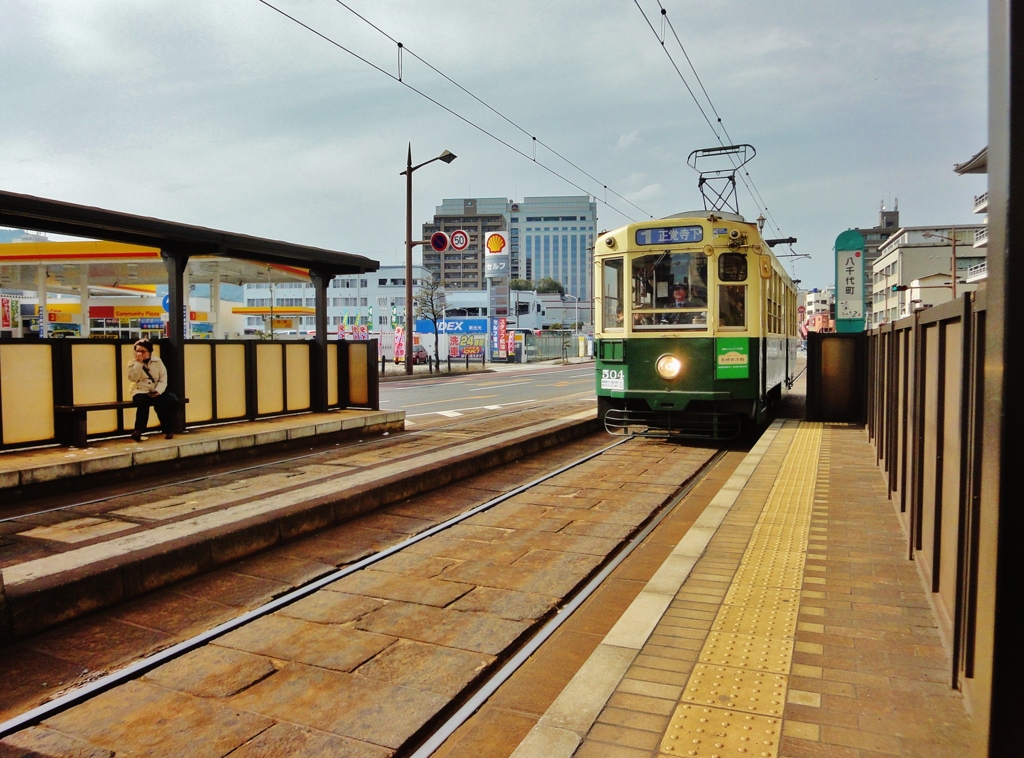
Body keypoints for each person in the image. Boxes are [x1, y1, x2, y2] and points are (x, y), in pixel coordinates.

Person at [127, 339, 175, 441]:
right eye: (137, 351)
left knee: (161, 403)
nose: (139, 353)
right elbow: (133, 378)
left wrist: (158, 391)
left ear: (149, 351)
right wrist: (138, 363)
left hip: (154, 389)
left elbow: (163, 379)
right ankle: (138, 430)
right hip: (139, 390)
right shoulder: (132, 363)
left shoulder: (158, 361)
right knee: (143, 402)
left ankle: (168, 430)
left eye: (143, 351)